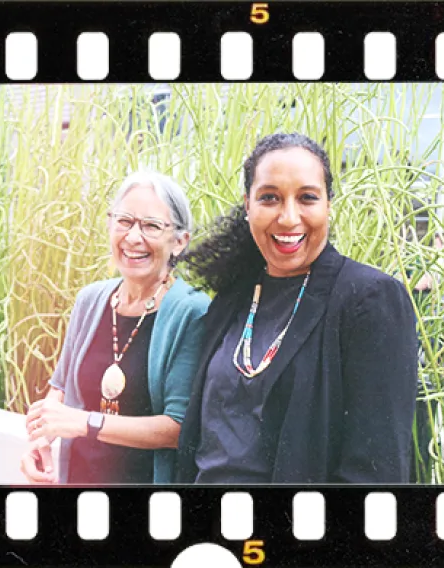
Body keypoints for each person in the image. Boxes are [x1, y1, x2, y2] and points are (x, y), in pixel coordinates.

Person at [176, 133, 419, 484]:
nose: (289, 218)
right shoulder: (232, 297)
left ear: (329, 205)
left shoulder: (369, 299)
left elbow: (375, 472)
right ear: (248, 206)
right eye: (270, 198)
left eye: (307, 198)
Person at [21, 171, 210, 484]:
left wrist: (85, 423)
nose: (134, 237)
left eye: (151, 225)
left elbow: (178, 428)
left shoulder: (192, 311)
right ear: (109, 225)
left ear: (179, 241)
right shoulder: (90, 299)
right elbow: (62, 387)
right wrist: (42, 440)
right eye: (124, 221)